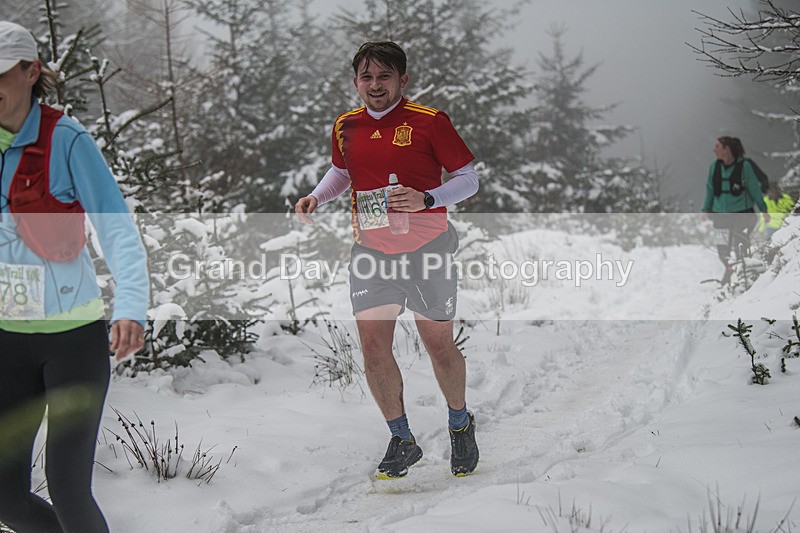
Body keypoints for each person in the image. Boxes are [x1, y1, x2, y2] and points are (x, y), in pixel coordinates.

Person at [295, 41, 480, 479]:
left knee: (437, 345)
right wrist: (316, 197)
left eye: (384, 76)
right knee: (374, 347)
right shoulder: (346, 126)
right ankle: (401, 439)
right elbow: (343, 172)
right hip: (372, 251)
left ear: (402, 79)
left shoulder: (429, 122)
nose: (374, 85)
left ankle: (460, 422)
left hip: (428, 248)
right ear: (356, 81)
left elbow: (468, 179)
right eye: (366, 77)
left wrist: (427, 198)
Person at [0, 21, 148, 532]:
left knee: (67, 487)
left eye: (0, 74)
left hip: (71, 342)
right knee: (5, 498)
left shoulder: (66, 139)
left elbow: (117, 229)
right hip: (6, 342)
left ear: (30, 71)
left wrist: (130, 306)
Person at [700, 136, 769, 285]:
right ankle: (730, 271)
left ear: (727, 149)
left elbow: (754, 189)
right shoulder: (714, 167)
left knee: (740, 244)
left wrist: (764, 209)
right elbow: (710, 189)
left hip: (742, 215)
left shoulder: (744, 166)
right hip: (720, 216)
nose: (714, 149)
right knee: (722, 249)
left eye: (717, 146)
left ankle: (746, 275)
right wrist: (705, 209)